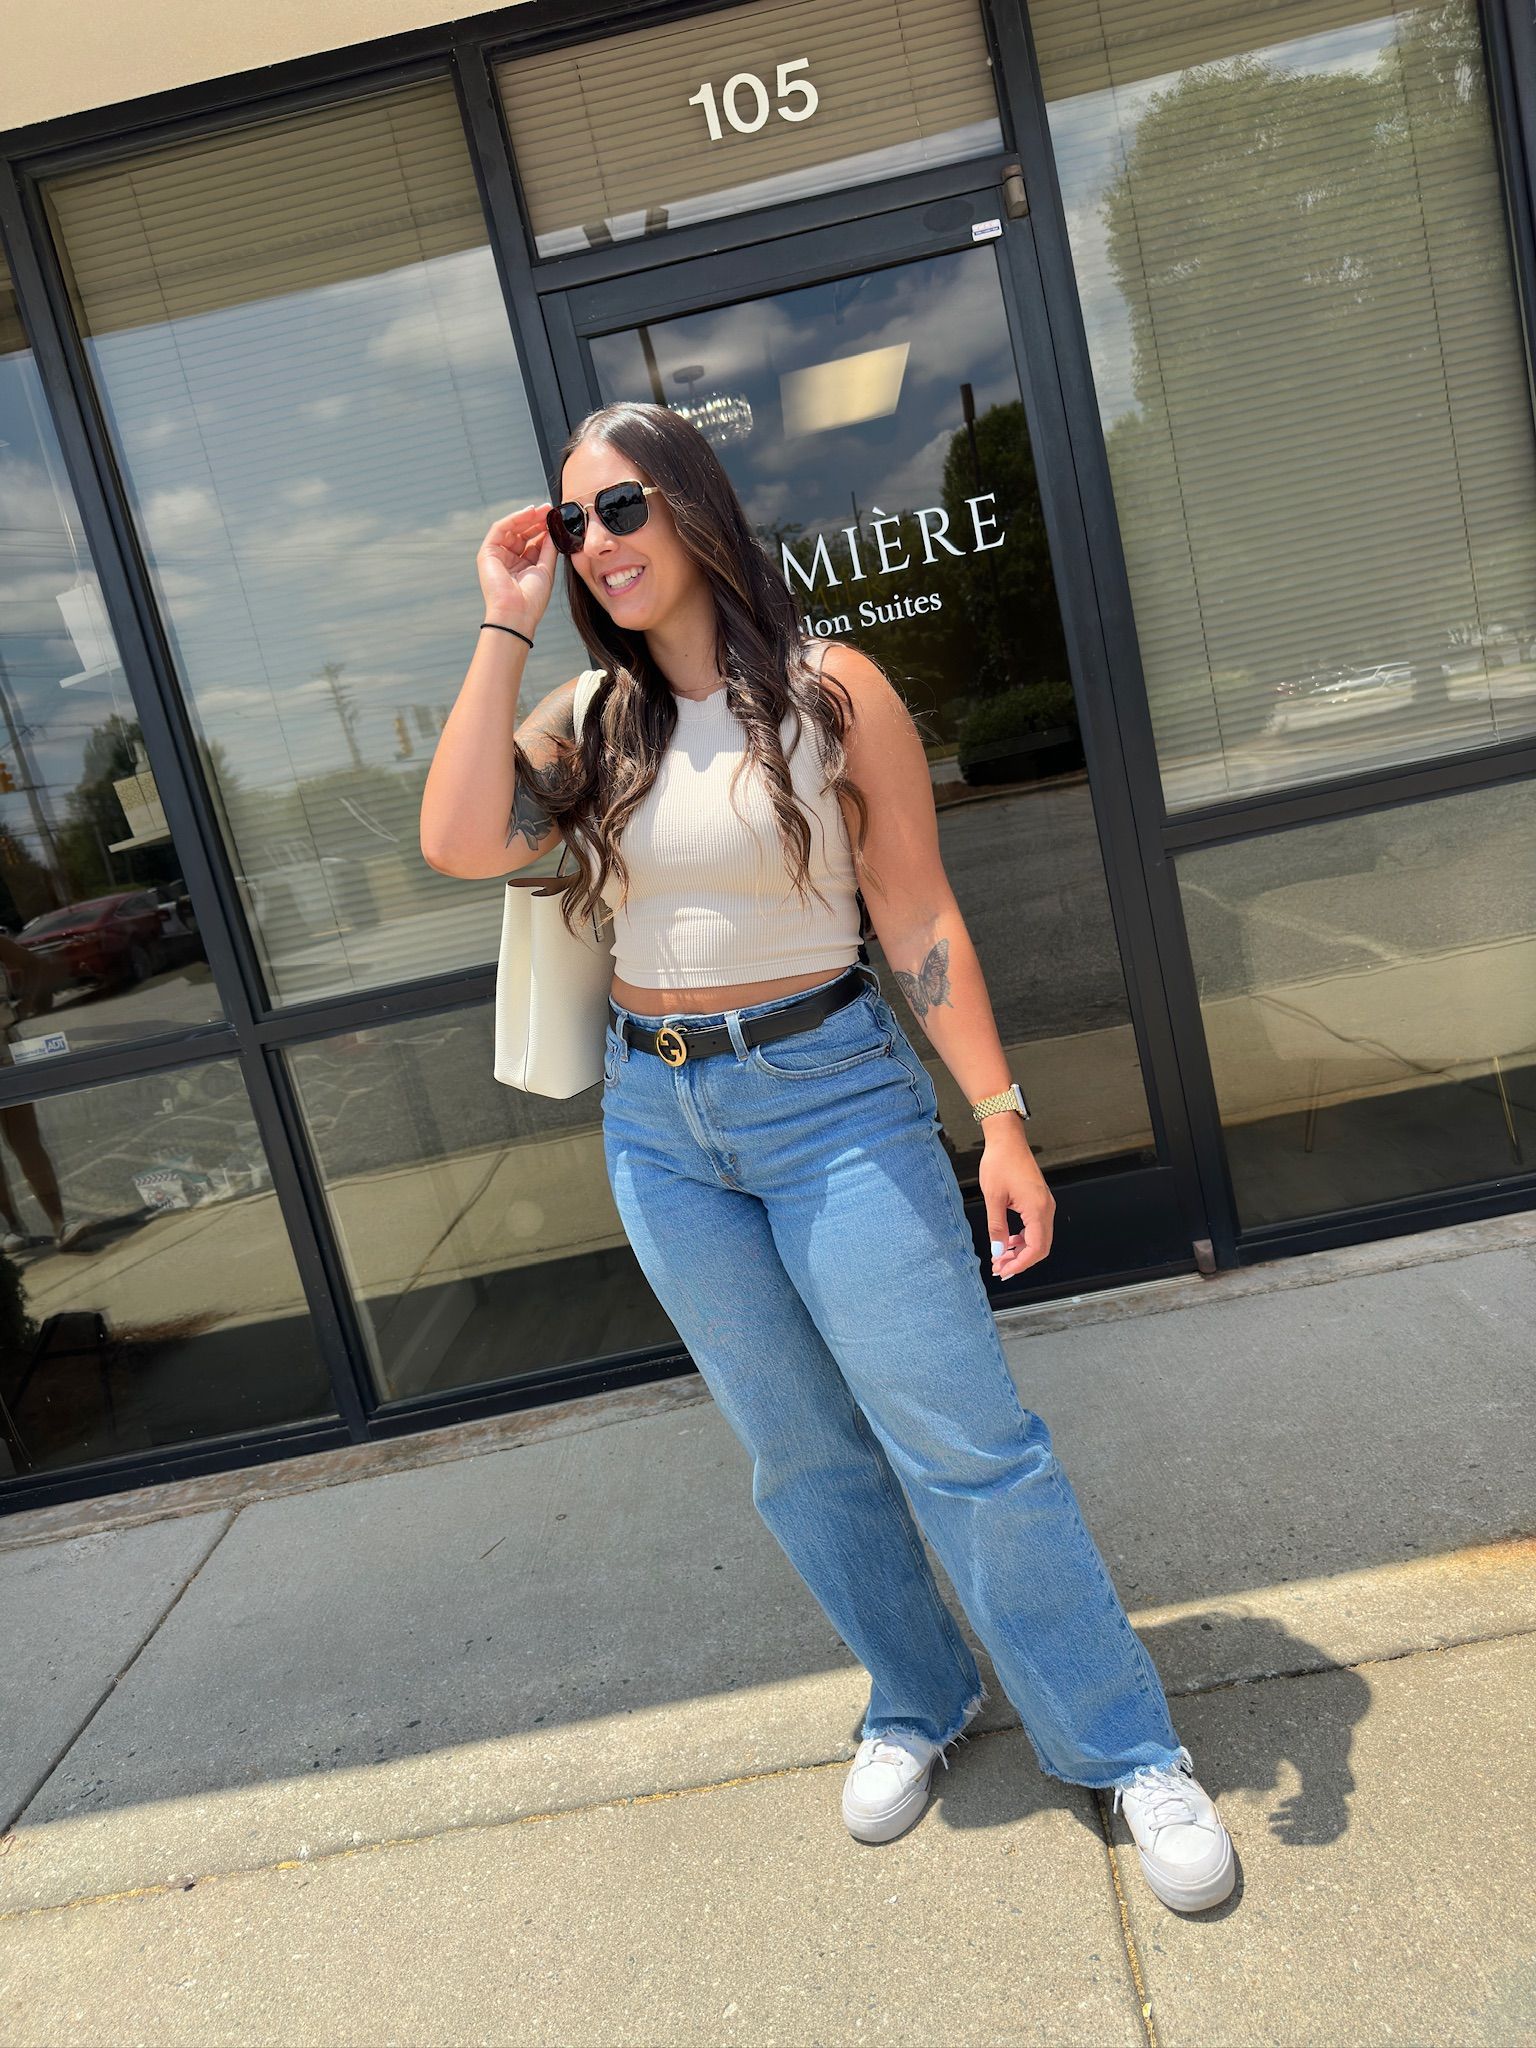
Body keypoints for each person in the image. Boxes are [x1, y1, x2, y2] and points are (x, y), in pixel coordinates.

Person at [419, 402, 1235, 1915]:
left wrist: (999, 1118)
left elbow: (918, 916)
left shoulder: (828, 692)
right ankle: (919, 1695)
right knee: (797, 1453)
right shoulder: (587, 728)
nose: (597, 543)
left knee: (965, 1441)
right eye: (573, 521)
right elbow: (460, 841)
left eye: (622, 510)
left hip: (834, 1096)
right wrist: (501, 617)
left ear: (696, 510)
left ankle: (1124, 1744)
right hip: (663, 1127)